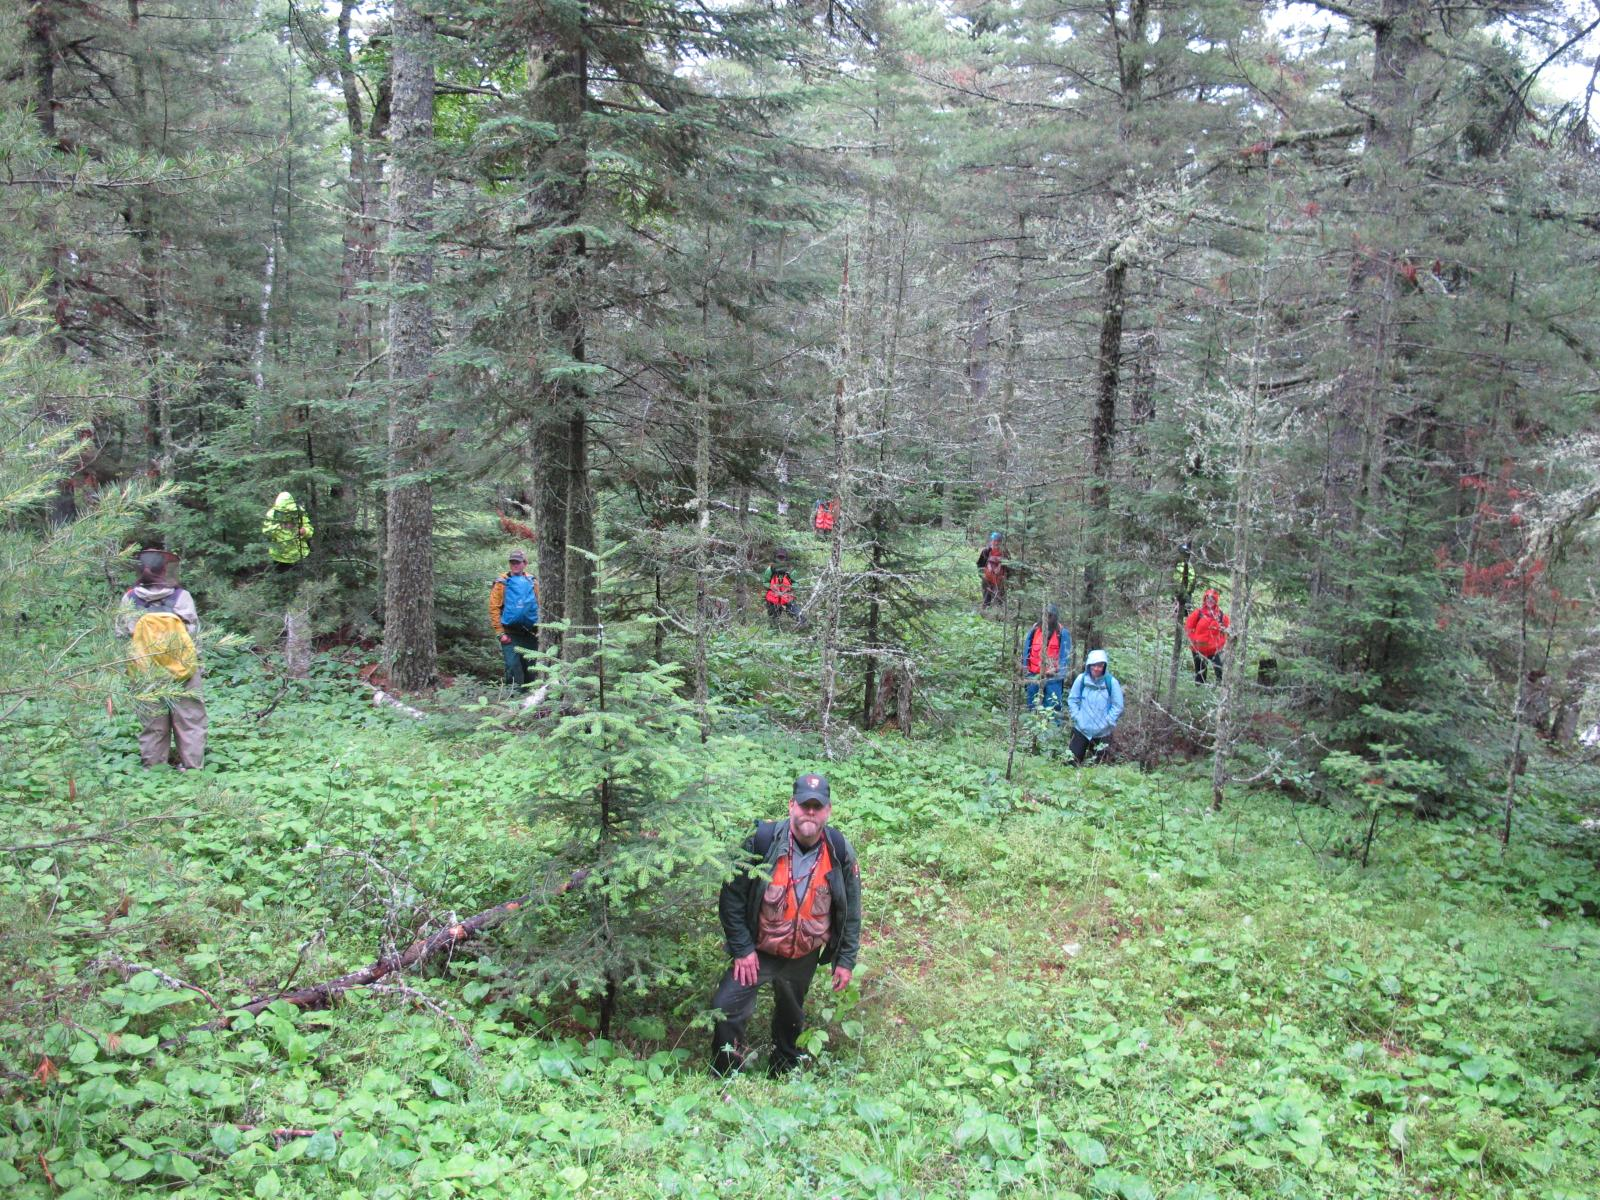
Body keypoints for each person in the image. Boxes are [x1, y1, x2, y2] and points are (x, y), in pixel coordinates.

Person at [711, 772, 861, 1078]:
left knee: (791, 1016)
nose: (810, 812)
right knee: (726, 1007)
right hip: (758, 950)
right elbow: (731, 898)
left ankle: (782, 1073)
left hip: (804, 953)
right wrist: (742, 950)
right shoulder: (761, 841)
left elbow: (851, 910)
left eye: (816, 807)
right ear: (791, 805)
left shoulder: (840, 851)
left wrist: (845, 960)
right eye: (804, 804)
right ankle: (725, 1076)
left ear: (827, 811)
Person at [116, 548, 207, 771]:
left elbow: (121, 632)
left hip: (144, 668)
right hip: (183, 668)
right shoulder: (181, 596)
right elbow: (192, 631)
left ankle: (154, 766)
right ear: (165, 570)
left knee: (151, 718)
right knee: (189, 718)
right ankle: (192, 766)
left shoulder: (129, 598)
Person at [489, 549, 540, 688]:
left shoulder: (532, 581)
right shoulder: (502, 583)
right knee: (512, 667)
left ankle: (530, 700)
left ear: (525, 563)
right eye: (512, 562)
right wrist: (500, 633)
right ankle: (512, 699)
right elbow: (494, 608)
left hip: (531, 633)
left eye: (518, 562)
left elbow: (540, 604)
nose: (515, 565)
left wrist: (541, 629)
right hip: (510, 634)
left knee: (531, 668)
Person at [1067, 649, 1123, 766]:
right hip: (1081, 729)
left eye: (1100, 666)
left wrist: (1108, 721)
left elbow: (1118, 705)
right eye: (1094, 666)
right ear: (1089, 665)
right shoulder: (1081, 679)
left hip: (1103, 732)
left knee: (1099, 766)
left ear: (1104, 666)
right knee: (1071, 763)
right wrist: (1077, 717)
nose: (1097, 669)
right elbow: (1073, 700)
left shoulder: (1111, 683)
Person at [1021, 603, 1071, 719]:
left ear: (1055, 616)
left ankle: (1053, 733)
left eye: (1050, 616)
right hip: (1033, 675)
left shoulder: (1062, 633)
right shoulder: (1034, 631)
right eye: (1044, 615)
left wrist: (1057, 672)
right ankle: (1032, 731)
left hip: (1053, 678)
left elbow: (1064, 657)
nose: (1047, 619)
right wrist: (1025, 671)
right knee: (1032, 705)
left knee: (1053, 707)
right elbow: (1027, 651)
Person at [1184, 587, 1230, 684]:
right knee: (1200, 675)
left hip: (1215, 650)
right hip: (1198, 649)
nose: (1210, 601)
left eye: (1212, 599)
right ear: (1204, 599)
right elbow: (1188, 628)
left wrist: (1220, 644)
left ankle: (1220, 692)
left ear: (1216, 601)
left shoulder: (1221, 616)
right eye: (1208, 599)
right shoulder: (1198, 613)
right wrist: (1194, 641)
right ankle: (1199, 692)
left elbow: (1227, 631)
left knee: (1220, 671)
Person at [263, 491, 313, 569]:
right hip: (279, 557)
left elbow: (309, 529)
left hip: (300, 555)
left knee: (302, 580)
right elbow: (267, 532)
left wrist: (304, 531)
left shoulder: (299, 511)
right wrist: (281, 526)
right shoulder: (271, 514)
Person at [977, 532, 1007, 610]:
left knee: (998, 600)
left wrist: (1001, 567)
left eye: (998, 541)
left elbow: (1008, 565)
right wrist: (981, 575)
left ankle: (997, 616)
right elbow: (980, 564)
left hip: (999, 580)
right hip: (987, 579)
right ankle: (985, 614)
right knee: (986, 599)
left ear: (1001, 542)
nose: (996, 543)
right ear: (991, 540)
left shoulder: (1005, 552)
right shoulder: (986, 551)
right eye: (994, 540)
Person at [764, 555, 794, 625]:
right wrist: (772, 587)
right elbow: (765, 582)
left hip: (787, 597)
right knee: (773, 618)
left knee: (796, 613)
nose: (781, 560)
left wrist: (788, 588)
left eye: (782, 558)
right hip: (773, 598)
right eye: (779, 557)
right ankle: (773, 629)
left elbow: (796, 583)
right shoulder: (770, 569)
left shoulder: (790, 569)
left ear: (786, 559)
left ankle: (803, 625)